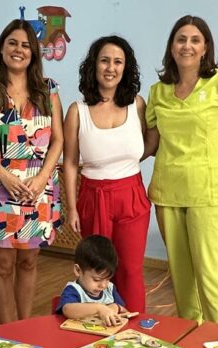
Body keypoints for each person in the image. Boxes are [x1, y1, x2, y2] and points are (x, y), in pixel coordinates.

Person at [144, 15, 218, 323]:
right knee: (181, 276)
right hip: (168, 193)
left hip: (211, 192)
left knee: (211, 275)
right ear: (171, 46)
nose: (187, 46)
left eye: (194, 40)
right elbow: (149, 145)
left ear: (205, 47)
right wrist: (103, 153)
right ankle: (191, 341)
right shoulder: (158, 92)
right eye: (181, 39)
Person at [0, 19, 64, 324]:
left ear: (34, 53)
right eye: (12, 43)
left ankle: (25, 327)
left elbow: (58, 140)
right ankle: (8, 332)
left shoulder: (48, 91)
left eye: (25, 45)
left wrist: (40, 179)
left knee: (28, 261)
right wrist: (6, 176)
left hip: (39, 188)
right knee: (3, 264)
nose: (19, 50)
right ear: (2, 47)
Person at [62, 35, 151, 314]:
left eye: (117, 61)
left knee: (131, 270)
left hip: (132, 194)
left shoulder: (137, 104)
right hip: (93, 195)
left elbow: (148, 145)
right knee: (98, 270)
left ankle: (135, 330)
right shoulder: (78, 111)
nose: (110, 67)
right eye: (104, 60)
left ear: (126, 68)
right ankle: (97, 326)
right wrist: (73, 208)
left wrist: (122, 162)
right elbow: (70, 163)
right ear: (93, 65)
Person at [56, 235, 129, 326]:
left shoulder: (109, 288)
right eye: (97, 279)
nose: (103, 285)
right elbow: (67, 309)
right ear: (78, 270)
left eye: (108, 279)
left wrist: (116, 307)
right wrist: (99, 308)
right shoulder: (74, 289)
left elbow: (125, 312)